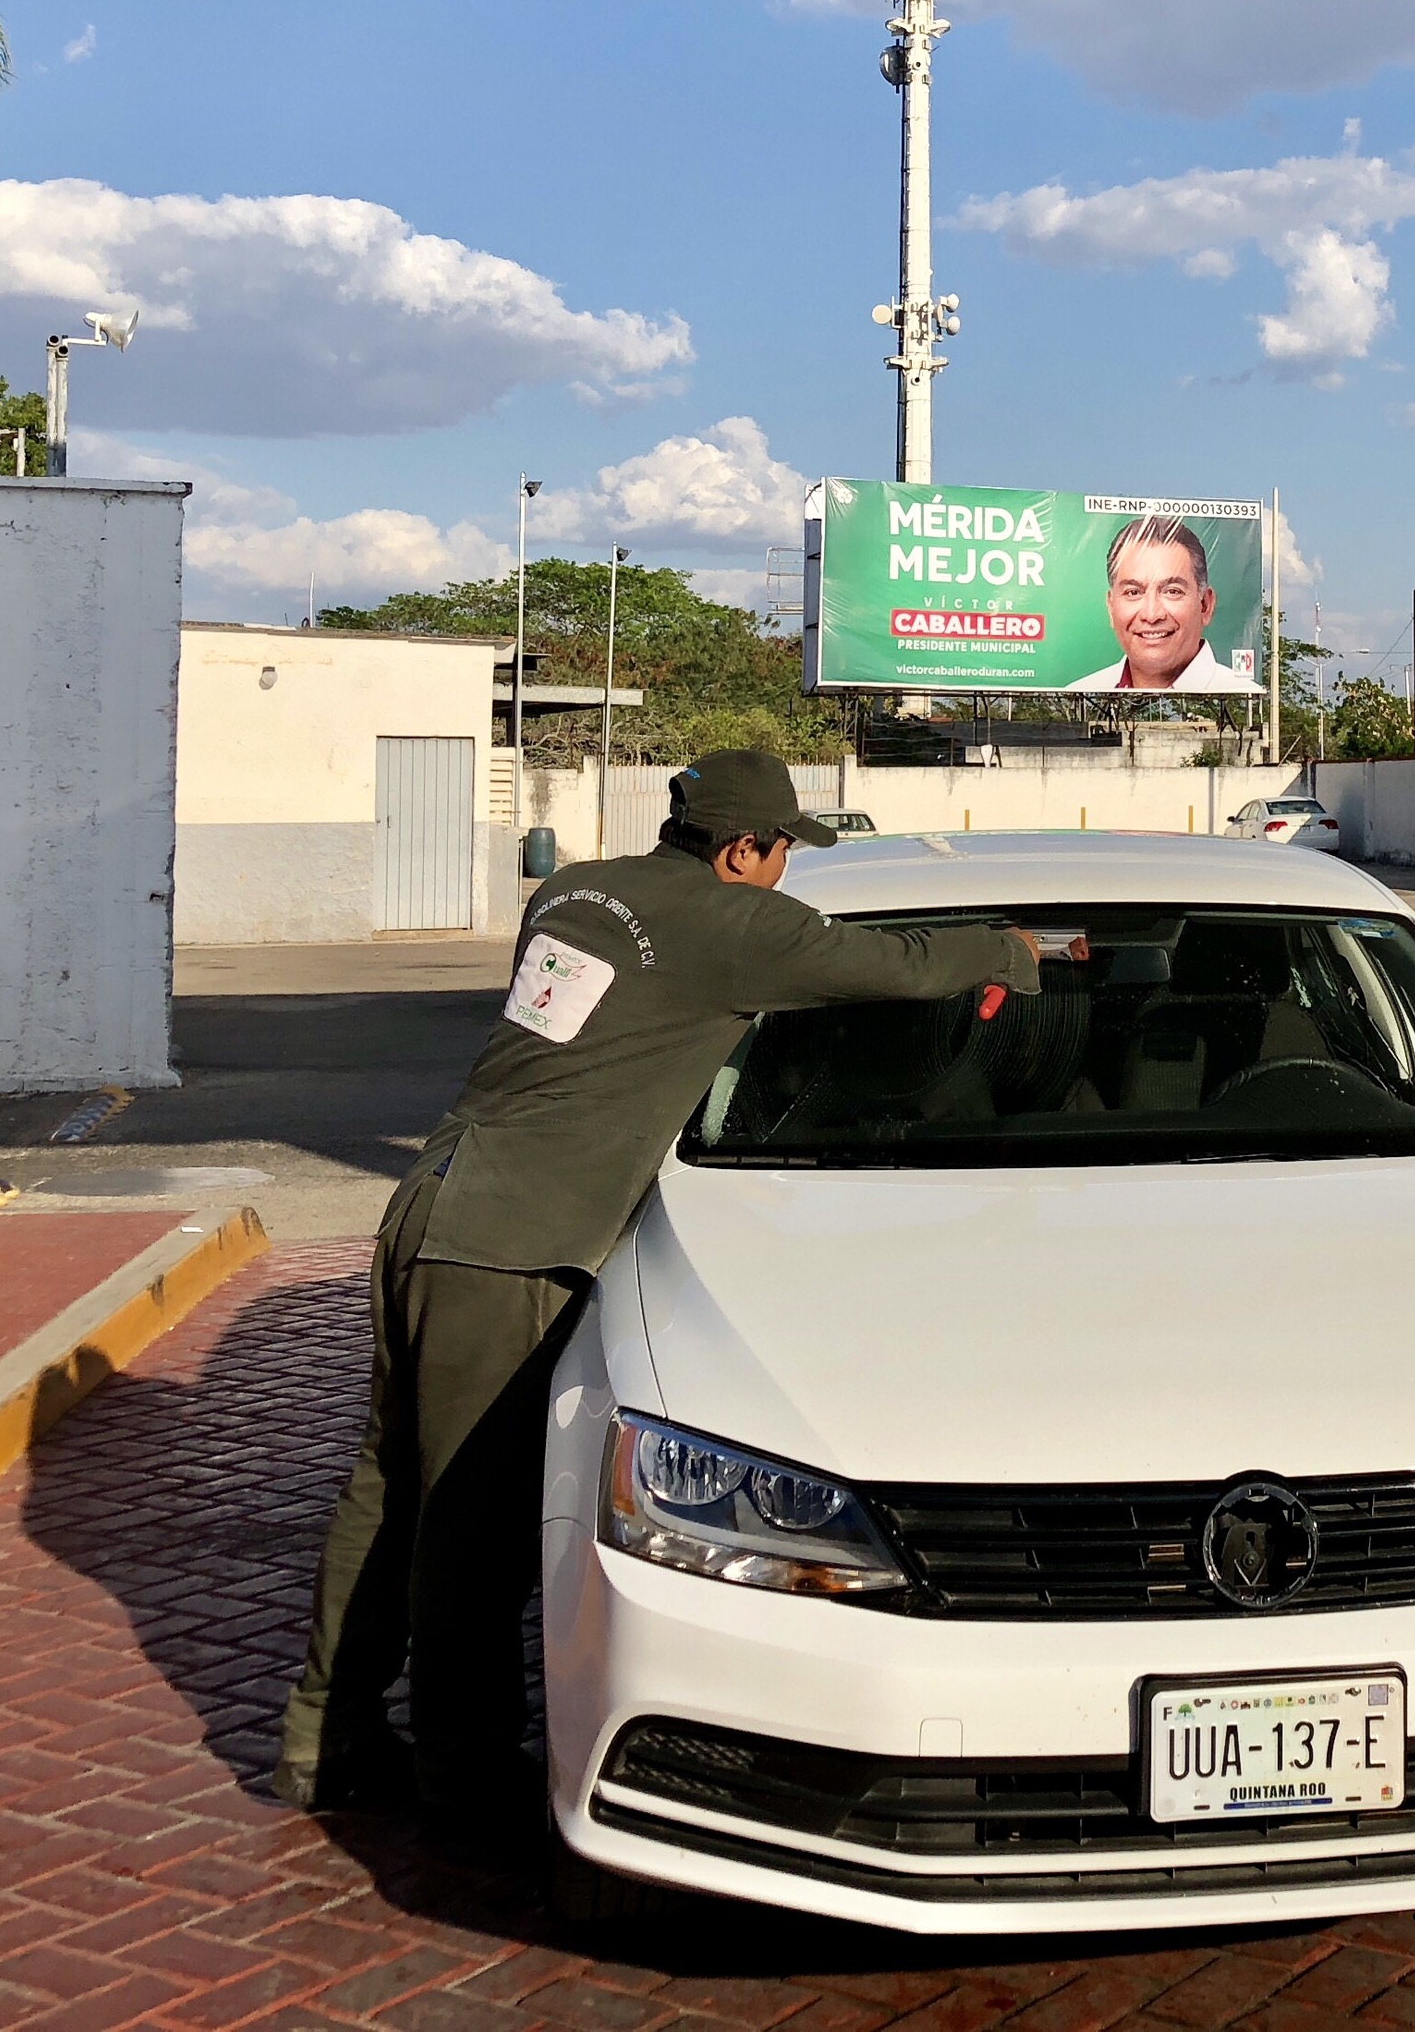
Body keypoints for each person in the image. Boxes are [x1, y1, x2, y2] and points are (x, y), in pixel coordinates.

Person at [275, 747, 1042, 1842]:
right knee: (469, 1524)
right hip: (513, 1241)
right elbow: (899, 965)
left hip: (433, 1204)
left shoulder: (572, 891)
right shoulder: (732, 928)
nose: (783, 870)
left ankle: (324, 1736)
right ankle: (462, 1771)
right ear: (741, 850)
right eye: (781, 852)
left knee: (391, 1485)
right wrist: (1011, 949)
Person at [1065, 513, 1258, 693]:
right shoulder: (1078, 696)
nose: (1151, 615)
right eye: (1133, 592)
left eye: (1172, 591)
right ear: (1111, 607)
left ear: (1205, 605)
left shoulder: (1246, 698)